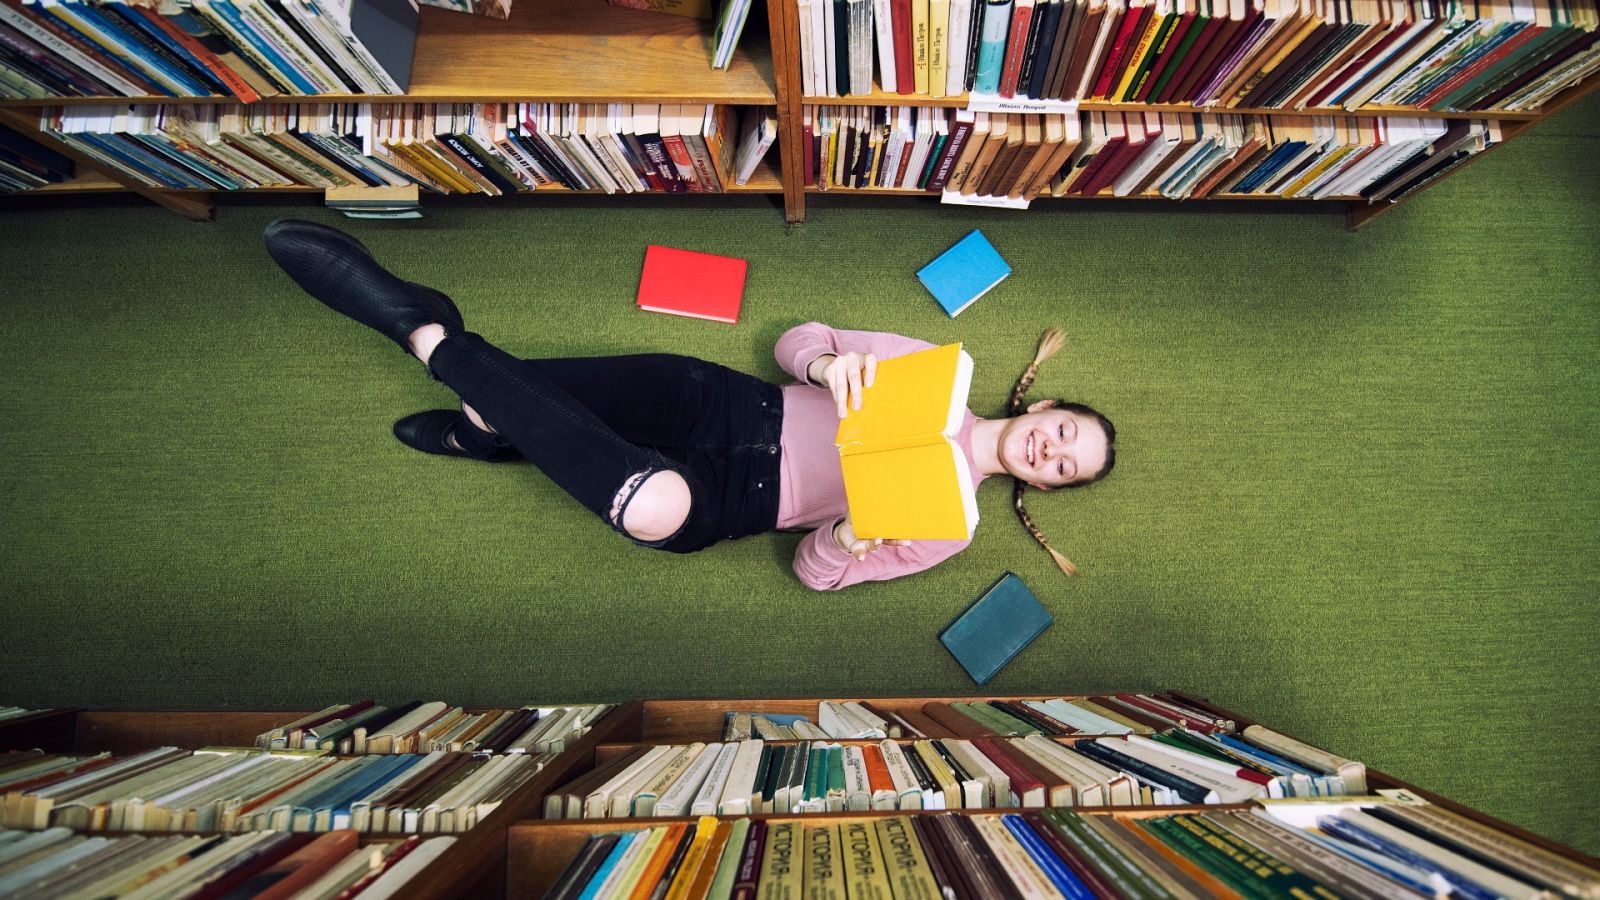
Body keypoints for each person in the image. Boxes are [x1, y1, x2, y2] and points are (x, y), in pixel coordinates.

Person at [263, 219, 1116, 590]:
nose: (1053, 451)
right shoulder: (941, 369)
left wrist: (850, 539)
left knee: (654, 509)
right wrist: (825, 368)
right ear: (1048, 407)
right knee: (554, 404)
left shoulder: (952, 529)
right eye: (1066, 433)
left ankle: (428, 337)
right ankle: (482, 424)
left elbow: (815, 577)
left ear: (1045, 488)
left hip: (734, 498)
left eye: (1066, 469)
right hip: (728, 406)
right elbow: (796, 337)